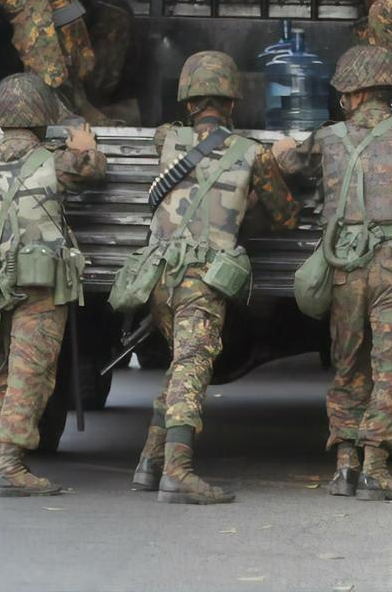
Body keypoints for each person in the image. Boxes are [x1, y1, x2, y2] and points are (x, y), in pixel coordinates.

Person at [272, 45, 392, 500]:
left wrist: (282, 149)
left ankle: (345, 466)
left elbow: (289, 163)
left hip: (344, 266)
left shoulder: (327, 138)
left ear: (353, 93)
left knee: (348, 363)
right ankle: (376, 466)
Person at [124, 51, 300, 504]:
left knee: (182, 364)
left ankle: (150, 462)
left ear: (187, 101)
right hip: (202, 279)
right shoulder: (252, 153)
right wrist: (275, 170)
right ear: (233, 102)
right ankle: (178, 472)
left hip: (159, 276)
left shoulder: (168, 139)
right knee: (192, 366)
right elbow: (285, 217)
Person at [0, 73, 107, 497]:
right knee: (30, 372)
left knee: (11, 368)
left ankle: (8, 453)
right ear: (42, 116)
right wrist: (84, 145)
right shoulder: (55, 163)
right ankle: (10, 464)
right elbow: (93, 168)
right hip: (39, 287)